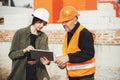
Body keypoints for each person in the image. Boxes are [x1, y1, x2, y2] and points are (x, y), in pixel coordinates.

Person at [7, 8, 50, 80]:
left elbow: (47, 56)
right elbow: (11, 55)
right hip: (21, 72)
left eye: (44, 23)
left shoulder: (44, 36)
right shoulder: (20, 33)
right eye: (40, 22)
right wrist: (24, 50)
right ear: (34, 20)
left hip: (38, 73)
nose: (42, 25)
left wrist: (48, 62)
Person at [55, 6, 96, 80]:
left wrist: (68, 57)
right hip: (73, 76)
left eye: (66, 21)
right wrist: (63, 64)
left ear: (75, 20)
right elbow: (71, 55)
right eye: (62, 22)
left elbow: (89, 53)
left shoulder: (84, 33)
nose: (64, 24)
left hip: (85, 77)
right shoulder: (68, 34)